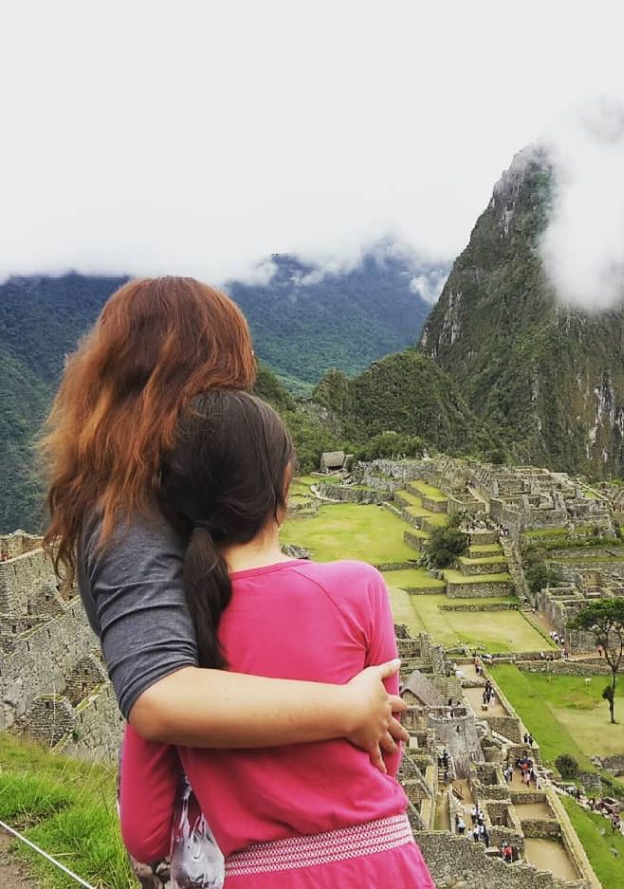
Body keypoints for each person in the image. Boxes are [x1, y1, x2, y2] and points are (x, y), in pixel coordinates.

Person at [40, 277, 406, 764]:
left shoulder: (153, 494)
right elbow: (158, 694)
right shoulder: (127, 516)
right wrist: (345, 708)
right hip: (222, 829)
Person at [118, 391, 433, 885]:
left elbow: (145, 834)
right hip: (382, 868)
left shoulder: (172, 643)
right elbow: (385, 757)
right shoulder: (359, 588)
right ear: (284, 484)